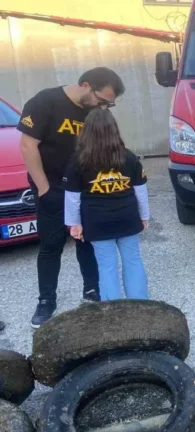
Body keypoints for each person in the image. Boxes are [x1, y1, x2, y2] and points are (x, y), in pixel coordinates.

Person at [18, 67, 125, 328]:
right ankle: (46, 301)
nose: (104, 107)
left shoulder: (96, 112)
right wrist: (44, 189)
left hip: (84, 188)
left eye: (109, 104)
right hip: (51, 187)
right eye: (103, 100)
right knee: (51, 244)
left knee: (86, 240)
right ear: (86, 85)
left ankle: (91, 289)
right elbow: (27, 145)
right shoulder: (45, 102)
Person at [64, 109, 149, 301]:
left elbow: (72, 197)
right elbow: (140, 191)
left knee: (106, 266)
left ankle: (112, 312)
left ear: (86, 132)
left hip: (96, 222)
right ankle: (141, 306)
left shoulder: (78, 161)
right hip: (127, 217)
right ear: (114, 130)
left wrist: (74, 224)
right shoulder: (128, 157)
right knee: (133, 260)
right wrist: (144, 216)